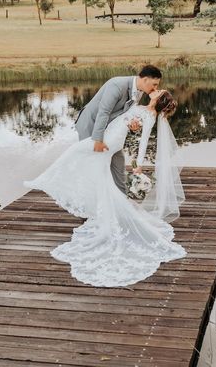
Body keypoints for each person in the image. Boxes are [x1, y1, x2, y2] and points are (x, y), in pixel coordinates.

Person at [23, 89, 186, 288]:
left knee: (75, 152)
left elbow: (143, 141)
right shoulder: (142, 107)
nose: (156, 89)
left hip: (110, 141)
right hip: (110, 136)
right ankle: (98, 207)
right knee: (97, 174)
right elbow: (129, 121)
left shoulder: (150, 115)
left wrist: (138, 165)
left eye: (159, 91)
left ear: (159, 100)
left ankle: (43, 181)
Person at [74, 65, 162, 194]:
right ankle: (86, 201)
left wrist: (133, 126)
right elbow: (103, 112)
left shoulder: (140, 91)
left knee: (118, 161)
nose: (155, 88)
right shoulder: (116, 85)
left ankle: (122, 198)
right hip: (91, 125)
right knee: (91, 164)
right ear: (145, 79)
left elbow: (125, 114)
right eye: (154, 84)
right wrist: (97, 140)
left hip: (110, 130)